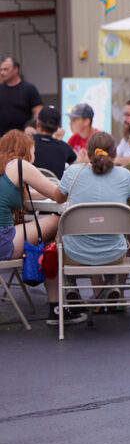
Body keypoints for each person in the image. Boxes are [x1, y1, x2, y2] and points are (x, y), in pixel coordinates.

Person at [51, 132, 130, 311]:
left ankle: (71, 285)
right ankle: (111, 284)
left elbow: (58, 198)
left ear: (87, 153)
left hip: (74, 256)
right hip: (113, 256)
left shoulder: (73, 172)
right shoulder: (125, 176)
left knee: (59, 235)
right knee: (112, 237)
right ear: (115, 153)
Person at [0, 130, 75, 325]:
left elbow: (27, 196)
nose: (34, 158)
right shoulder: (19, 165)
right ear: (24, 151)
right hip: (3, 240)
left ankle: (56, 307)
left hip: (4, 238)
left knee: (48, 239)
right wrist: (76, 179)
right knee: (56, 221)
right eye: (33, 152)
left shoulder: (4, 171)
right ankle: (66, 295)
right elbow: (59, 195)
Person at [0, 56, 43, 136]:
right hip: (2, 139)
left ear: (16, 70)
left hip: (23, 138)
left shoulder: (29, 89)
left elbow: (39, 113)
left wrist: (31, 126)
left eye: (5, 69)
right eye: (1, 70)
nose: (2, 73)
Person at [31, 106, 76, 179]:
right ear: (56, 128)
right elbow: (77, 165)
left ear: (38, 123)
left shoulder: (26, 141)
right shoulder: (64, 147)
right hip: (54, 189)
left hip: (30, 188)